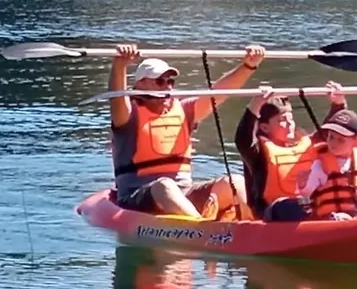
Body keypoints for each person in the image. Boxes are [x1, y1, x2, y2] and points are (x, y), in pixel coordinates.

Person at [109, 43, 266, 221]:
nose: (167, 87)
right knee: (165, 185)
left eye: (170, 82)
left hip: (183, 192)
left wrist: (248, 66)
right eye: (159, 82)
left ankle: (252, 225)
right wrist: (119, 65)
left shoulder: (184, 110)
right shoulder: (128, 114)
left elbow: (219, 93)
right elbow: (116, 98)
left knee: (235, 182)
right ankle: (202, 228)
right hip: (138, 194)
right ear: (140, 85)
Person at [234, 81, 347, 222]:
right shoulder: (257, 153)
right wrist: (256, 104)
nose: (290, 124)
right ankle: (320, 219)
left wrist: (338, 104)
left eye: (291, 119)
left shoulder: (307, 144)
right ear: (265, 128)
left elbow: (331, 130)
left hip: (311, 207)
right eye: (282, 120)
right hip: (273, 211)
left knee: (325, 200)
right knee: (288, 206)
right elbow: (243, 140)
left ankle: (332, 218)